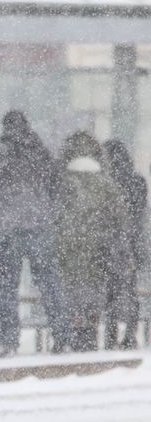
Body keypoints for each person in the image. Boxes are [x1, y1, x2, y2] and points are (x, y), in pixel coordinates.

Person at [0, 111, 70, 357]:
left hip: (9, 231)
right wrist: (49, 214)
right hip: (40, 228)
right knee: (50, 284)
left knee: (7, 287)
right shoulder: (41, 153)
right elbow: (59, 189)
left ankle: (9, 342)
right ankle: (61, 337)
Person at [55, 132, 131, 352]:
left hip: (67, 247)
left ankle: (75, 330)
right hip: (97, 246)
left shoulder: (62, 181)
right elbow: (121, 217)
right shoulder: (105, 183)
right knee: (94, 290)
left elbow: (53, 214)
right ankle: (89, 331)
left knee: (70, 289)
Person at [100, 140, 146, 348]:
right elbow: (139, 214)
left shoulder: (106, 181)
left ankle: (111, 335)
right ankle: (129, 335)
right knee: (128, 290)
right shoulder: (137, 181)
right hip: (130, 245)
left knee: (111, 292)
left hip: (110, 244)